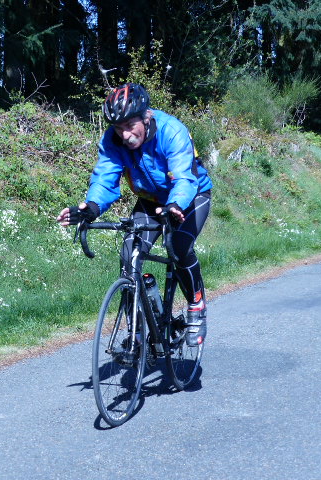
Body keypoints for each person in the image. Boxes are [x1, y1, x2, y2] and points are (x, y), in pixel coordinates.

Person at [56, 83, 212, 346]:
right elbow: (105, 177)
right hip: (150, 200)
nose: (126, 135)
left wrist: (175, 204)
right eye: (119, 128)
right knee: (129, 255)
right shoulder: (112, 140)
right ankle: (136, 331)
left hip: (189, 196)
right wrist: (91, 207)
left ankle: (196, 303)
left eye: (130, 126)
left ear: (146, 116)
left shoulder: (171, 131)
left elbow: (184, 177)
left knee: (179, 246)